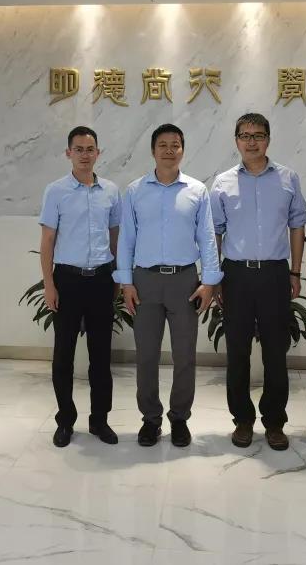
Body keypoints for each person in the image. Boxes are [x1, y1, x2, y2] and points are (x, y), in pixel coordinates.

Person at [115, 123, 223, 448]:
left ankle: (179, 419)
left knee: (185, 355)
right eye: (162, 145)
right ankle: (150, 419)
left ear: (182, 150)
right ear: (153, 150)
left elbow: (207, 238)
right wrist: (125, 281)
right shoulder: (135, 191)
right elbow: (126, 239)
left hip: (185, 281)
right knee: (146, 355)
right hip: (145, 281)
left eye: (175, 144)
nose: (169, 150)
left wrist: (210, 282)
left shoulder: (196, 191)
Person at [210, 113, 306, 451]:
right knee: (237, 351)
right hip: (236, 275)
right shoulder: (222, 182)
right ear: (236, 140)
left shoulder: (288, 178)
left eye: (258, 135)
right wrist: (214, 277)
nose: (252, 142)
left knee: (275, 352)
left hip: (275, 274)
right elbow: (214, 232)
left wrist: (295, 272)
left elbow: (297, 225)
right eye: (245, 135)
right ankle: (242, 419)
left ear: (268, 139)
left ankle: (275, 421)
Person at [38, 126, 122, 448]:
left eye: (90, 149)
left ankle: (99, 420)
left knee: (101, 357)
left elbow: (115, 237)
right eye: (79, 149)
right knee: (64, 356)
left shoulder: (111, 191)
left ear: (98, 153)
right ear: (68, 153)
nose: (85, 155)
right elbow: (47, 240)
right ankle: (65, 420)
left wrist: (117, 277)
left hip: (101, 280)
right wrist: (49, 284)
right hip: (68, 280)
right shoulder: (56, 191)